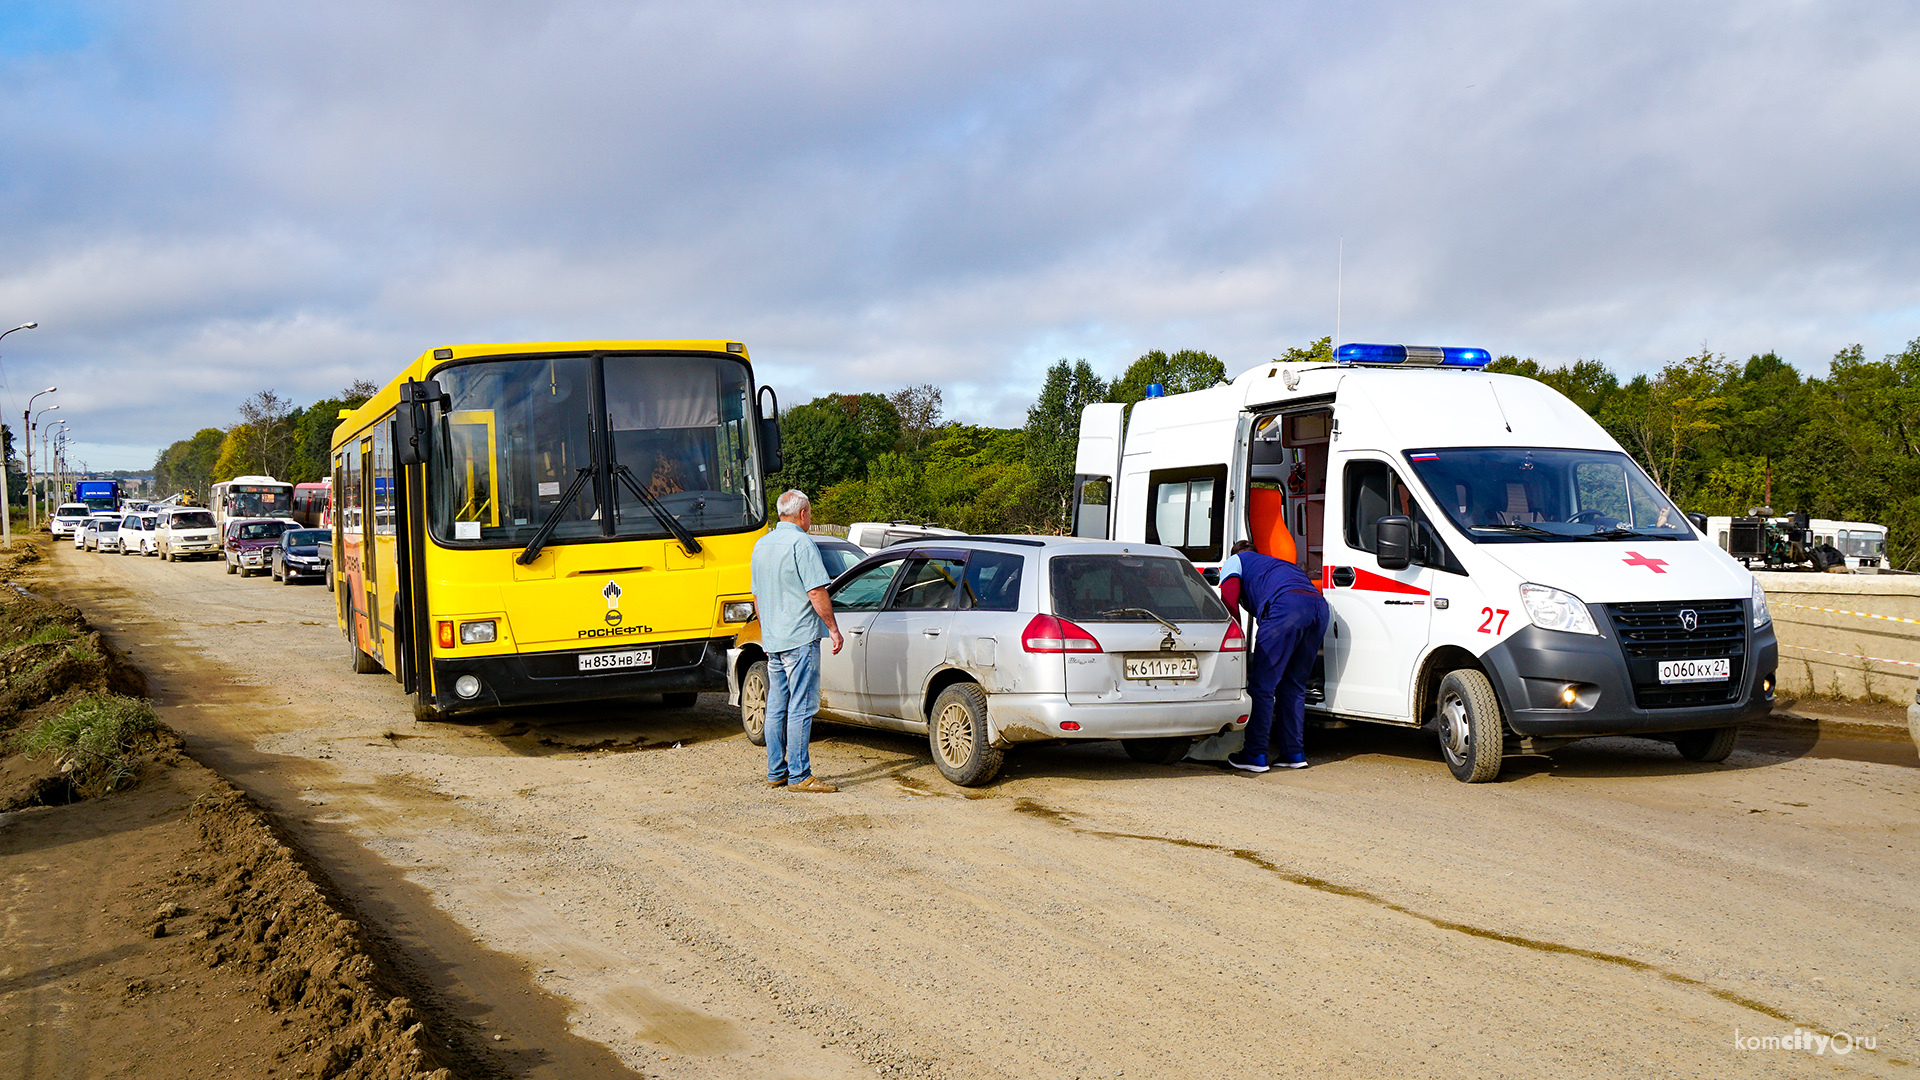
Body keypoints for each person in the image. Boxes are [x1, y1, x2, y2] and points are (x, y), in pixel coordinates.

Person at [749, 490, 845, 792]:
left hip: (774, 639)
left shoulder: (761, 544)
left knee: (777, 704)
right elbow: (816, 592)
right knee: (802, 705)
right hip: (800, 637)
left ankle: (776, 770)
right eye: (810, 512)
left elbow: (756, 596)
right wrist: (833, 628)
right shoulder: (801, 543)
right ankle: (800, 774)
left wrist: (766, 632)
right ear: (802, 513)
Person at [1218, 539, 1330, 772]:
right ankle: (1294, 754)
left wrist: (1235, 637)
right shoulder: (1275, 564)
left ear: (1234, 555)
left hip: (1286, 607)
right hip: (1318, 607)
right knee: (1293, 684)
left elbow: (1229, 599)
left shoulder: (1234, 561)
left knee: (1262, 686)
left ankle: (1255, 755)